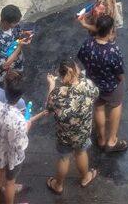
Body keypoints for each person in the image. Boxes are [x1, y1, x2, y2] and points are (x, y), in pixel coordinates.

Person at [43, 58, 98, 192]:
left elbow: (48, 108)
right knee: (81, 153)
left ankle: (58, 185)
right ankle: (85, 177)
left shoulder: (57, 94)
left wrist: (51, 85)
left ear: (60, 76)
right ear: (76, 70)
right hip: (83, 132)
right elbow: (95, 94)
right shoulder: (87, 84)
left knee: (64, 158)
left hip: (64, 135)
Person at [78, 14, 127, 153]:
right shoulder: (113, 50)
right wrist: (122, 80)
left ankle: (101, 139)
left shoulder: (87, 44)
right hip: (111, 86)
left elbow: (82, 59)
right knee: (115, 106)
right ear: (111, 30)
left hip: (93, 84)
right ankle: (112, 141)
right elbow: (119, 72)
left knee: (98, 108)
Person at [0, 77, 29, 204]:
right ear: (20, 96)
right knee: (10, 182)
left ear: (5, 91)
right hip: (12, 158)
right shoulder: (20, 120)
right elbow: (21, 145)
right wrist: (27, 127)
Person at [0, 5, 32, 85]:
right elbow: (4, 65)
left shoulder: (13, 26)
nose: (17, 24)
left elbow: (17, 33)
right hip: (8, 72)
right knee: (11, 86)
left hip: (18, 61)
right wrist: (19, 47)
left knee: (19, 75)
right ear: (5, 22)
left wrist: (24, 33)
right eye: (15, 22)